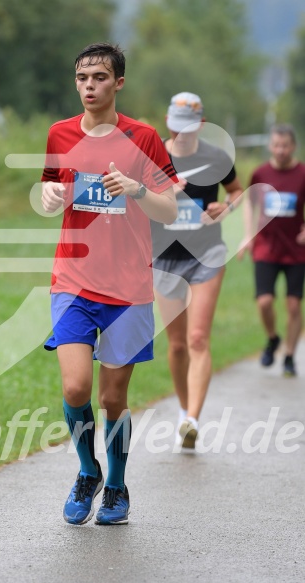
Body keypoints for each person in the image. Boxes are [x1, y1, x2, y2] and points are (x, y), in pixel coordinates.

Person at [41, 43, 178, 525]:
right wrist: (50, 195)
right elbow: (47, 194)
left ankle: (117, 487)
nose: (89, 86)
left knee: (112, 398)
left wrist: (138, 189)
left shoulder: (143, 137)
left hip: (127, 289)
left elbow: (171, 207)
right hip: (73, 280)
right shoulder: (60, 133)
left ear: (118, 83)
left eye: (99, 77)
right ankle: (87, 472)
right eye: (82, 78)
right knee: (76, 386)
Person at [150, 92, 243, 449]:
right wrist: (164, 191)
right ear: (167, 121)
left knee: (198, 338)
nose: (183, 132)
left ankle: (192, 419)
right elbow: (135, 198)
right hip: (165, 258)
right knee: (176, 346)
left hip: (207, 254)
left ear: (201, 124)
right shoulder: (152, 155)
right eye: (177, 125)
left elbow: (236, 191)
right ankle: (183, 407)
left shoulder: (217, 157)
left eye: (189, 126)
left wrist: (226, 207)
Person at [238, 124, 305, 376]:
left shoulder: (302, 173)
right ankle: (273, 338)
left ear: (293, 146)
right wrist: (247, 234)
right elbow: (249, 203)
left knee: (293, 305)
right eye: (276, 145)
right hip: (266, 247)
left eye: (285, 146)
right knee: (265, 301)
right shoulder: (260, 173)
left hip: (296, 250)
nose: (280, 150)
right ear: (270, 146)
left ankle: (289, 355)